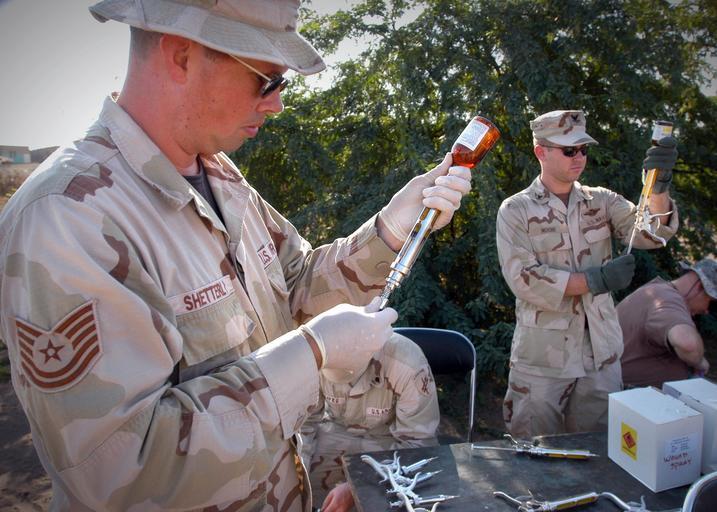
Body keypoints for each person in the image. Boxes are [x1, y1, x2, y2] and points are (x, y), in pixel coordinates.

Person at [0, 1, 472, 511]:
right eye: (267, 80)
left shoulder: (218, 174)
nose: (277, 104)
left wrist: (390, 231)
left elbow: (295, 287)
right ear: (182, 55)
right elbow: (120, 471)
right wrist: (310, 356)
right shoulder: (68, 217)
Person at [496, 110, 679, 438]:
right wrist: (597, 280)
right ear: (541, 152)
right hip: (543, 361)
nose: (579, 157)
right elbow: (523, 279)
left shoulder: (602, 201)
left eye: (583, 149)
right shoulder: (515, 210)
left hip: (601, 355)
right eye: (569, 150)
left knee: (597, 449)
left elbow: (651, 235)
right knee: (534, 450)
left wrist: (659, 187)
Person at [300, 333, 439, 512]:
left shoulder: (408, 365)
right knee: (294, 488)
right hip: (335, 432)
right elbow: (304, 424)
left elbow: (418, 446)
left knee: (394, 498)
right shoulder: (314, 354)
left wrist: (358, 485)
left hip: (391, 445)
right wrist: (299, 472)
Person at [618, 258, 715, 388]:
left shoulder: (658, 291)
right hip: (630, 394)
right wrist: (700, 361)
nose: (706, 311)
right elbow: (688, 344)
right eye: (711, 303)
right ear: (699, 287)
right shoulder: (668, 300)